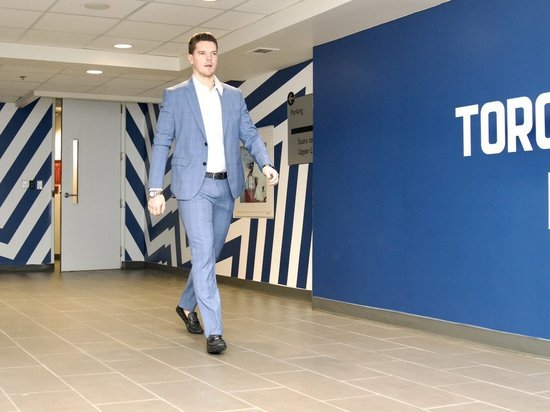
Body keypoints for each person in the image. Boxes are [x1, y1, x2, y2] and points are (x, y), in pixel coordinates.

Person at [147, 32, 279, 354]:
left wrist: (265, 163)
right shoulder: (176, 96)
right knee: (204, 254)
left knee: (211, 253)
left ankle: (186, 304)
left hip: (226, 186)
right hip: (194, 187)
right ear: (191, 58)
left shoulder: (233, 96)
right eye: (202, 53)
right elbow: (162, 142)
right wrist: (155, 189)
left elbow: (249, 133)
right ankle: (214, 332)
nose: (209, 58)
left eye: (213, 53)